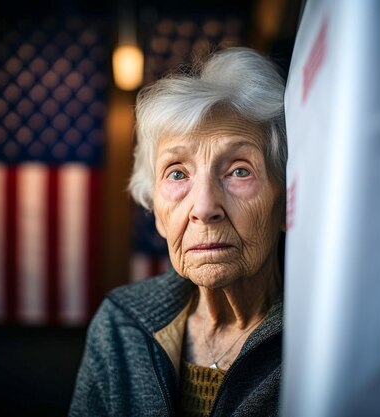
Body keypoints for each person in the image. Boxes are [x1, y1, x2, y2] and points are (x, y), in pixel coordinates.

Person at [68, 46, 287, 417]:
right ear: (157, 212)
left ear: (287, 202)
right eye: (177, 173)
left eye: (238, 170)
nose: (203, 208)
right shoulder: (122, 325)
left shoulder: (329, 335)